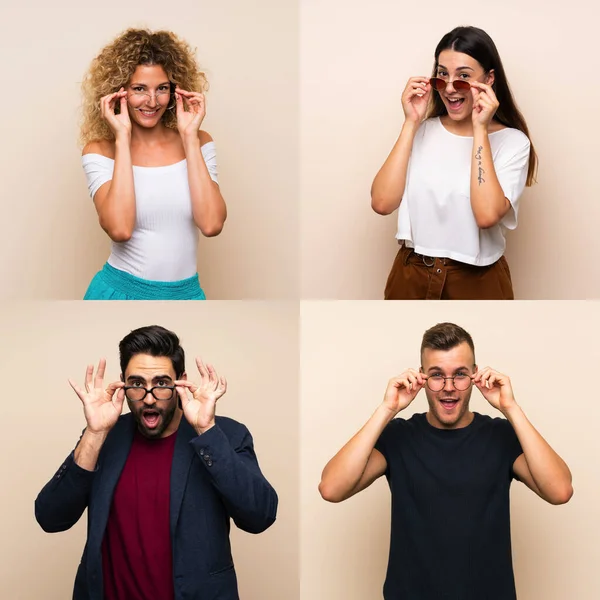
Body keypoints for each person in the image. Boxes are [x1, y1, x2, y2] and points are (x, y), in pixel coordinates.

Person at [319, 322, 572, 599]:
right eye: (437, 375)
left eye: (460, 375)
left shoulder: (500, 435)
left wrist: (510, 408)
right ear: (421, 377)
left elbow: (559, 491)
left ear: (476, 375)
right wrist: (387, 408)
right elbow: (332, 488)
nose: (449, 388)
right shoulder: (399, 436)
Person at [35, 325, 277, 600]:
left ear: (181, 382)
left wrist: (206, 430)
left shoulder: (225, 435)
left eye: (161, 383)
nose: (149, 398)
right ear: (123, 383)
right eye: (137, 384)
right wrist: (95, 433)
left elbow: (260, 516)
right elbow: (50, 518)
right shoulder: (105, 435)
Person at [371, 26, 538, 300]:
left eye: (463, 77)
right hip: (410, 275)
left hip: (478, 280)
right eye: (441, 75)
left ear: (489, 79)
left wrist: (480, 128)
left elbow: (486, 215)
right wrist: (411, 122)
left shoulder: (513, 143)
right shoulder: (422, 131)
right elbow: (382, 202)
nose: (449, 88)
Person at [80, 29, 227, 300]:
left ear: (175, 91)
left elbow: (211, 224)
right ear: (118, 92)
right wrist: (122, 137)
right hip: (119, 292)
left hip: (187, 293)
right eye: (139, 89)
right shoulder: (101, 151)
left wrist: (189, 137)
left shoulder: (198, 141)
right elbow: (120, 229)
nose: (151, 101)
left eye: (162, 88)